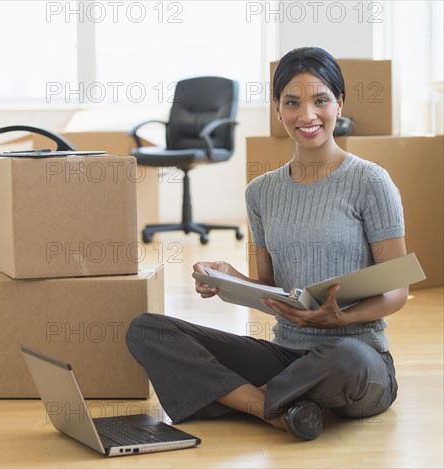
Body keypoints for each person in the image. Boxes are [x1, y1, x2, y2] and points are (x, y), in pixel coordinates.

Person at [125, 47, 408, 441]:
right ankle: (273, 411)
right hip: (286, 357)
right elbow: (271, 289)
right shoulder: (261, 192)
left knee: (349, 358)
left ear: (339, 104)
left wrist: (339, 319)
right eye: (292, 102)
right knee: (146, 330)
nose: (307, 115)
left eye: (321, 100)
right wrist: (227, 278)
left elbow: (397, 290)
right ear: (278, 109)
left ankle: (242, 400)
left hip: (357, 359)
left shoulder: (371, 182)